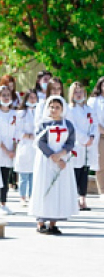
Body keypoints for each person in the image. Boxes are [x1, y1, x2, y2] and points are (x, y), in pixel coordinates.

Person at [31, 96, 78, 234]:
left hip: (62, 160)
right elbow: (40, 142)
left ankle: (53, 223)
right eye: (52, 107)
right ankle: (40, 223)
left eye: (57, 107)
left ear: (62, 109)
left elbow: (70, 142)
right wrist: (54, 157)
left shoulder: (68, 125)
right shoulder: (43, 124)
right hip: (46, 160)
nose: (54, 110)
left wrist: (62, 154)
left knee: (58, 190)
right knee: (44, 187)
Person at [65, 82, 98, 211]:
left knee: (85, 171)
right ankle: (74, 200)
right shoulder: (70, 109)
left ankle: (83, 199)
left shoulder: (89, 109)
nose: (79, 95)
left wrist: (92, 137)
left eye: (81, 92)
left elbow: (94, 124)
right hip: (77, 145)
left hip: (88, 146)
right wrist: (84, 138)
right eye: (76, 92)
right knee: (75, 172)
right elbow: (73, 127)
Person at [0, 86, 18, 215]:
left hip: (10, 150)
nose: (6, 97)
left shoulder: (14, 114)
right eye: (3, 95)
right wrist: (6, 150)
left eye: (8, 95)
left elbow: (16, 133)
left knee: (6, 177)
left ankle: (4, 202)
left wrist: (14, 149)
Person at [14, 91, 39, 206]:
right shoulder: (20, 113)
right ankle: (22, 196)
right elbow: (17, 131)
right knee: (24, 174)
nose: (33, 100)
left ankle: (32, 196)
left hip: (36, 146)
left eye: (35, 97)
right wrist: (29, 136)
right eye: (30, 97)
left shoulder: (40, 112)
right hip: (25, 145)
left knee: (34, 173)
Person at [90, 76, 104, 200]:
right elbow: (92, 119)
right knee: (101, 164)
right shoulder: (94, 100)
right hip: (101, 136)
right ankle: (102, 191)